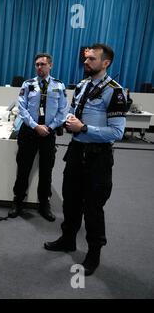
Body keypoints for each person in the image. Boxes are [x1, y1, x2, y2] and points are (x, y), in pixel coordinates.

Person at [44, 44, 128, 276]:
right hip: (75, 153)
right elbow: (72, 111)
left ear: (106, 63)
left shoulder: (115, 91)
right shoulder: (81, 86)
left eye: (92, 59)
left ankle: (93, 254)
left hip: (97, 158)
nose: (86, 62)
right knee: (70, 201)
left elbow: (117, 133)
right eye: (86, 58)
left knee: (93, 208)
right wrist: (68, 120)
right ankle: (68, 239)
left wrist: (83, 128)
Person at [8, 53, 67, 221]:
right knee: (23, 169)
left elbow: (63, 110)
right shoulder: (27, 85)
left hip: (48, 134)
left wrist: (50, 127)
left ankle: (44, 204)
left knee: (46, 171)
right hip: (29, 133)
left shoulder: (59, 86)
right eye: (37, 64)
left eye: (42, 64)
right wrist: (35, 126)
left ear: (50, 65)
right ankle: (18, 202)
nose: (39, 67)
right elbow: (22, 108)